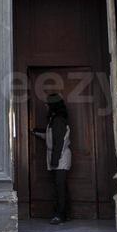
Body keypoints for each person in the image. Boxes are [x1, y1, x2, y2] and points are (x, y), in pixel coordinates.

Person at [32, 93, 72, 224]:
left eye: (47, 104)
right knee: (59, 187)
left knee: (60, 188)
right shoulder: (55, 119)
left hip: (59, 157)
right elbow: (51, 136)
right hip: (58, 156)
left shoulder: (58, 120)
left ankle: (60, 215)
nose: (45, 106)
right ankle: (63, 214)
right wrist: (36, 131)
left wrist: (54, 161)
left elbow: (58, 142)